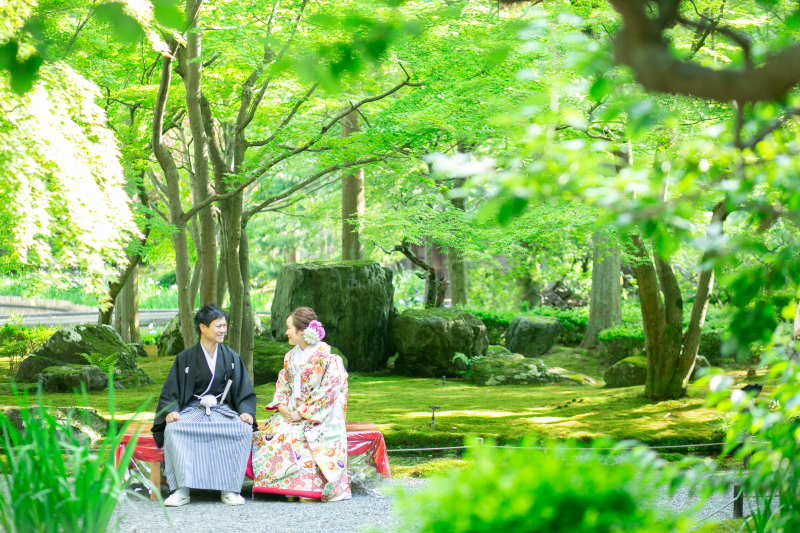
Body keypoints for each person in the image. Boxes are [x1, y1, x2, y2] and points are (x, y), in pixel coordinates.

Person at [152, 303, 257, 507]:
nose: (223, 330)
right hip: (194, 408)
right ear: (203, 327)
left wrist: (245, 411)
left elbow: (244, 391)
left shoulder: (231, 357)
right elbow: (170, 391)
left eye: (224, 326)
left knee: (242, 429)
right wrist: (172, 411)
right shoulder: (185, 358)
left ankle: (230, 488)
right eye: (218, 326)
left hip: (221, 409)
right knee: (173, 429)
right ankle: (181, 489)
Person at [250, 307, 351, 502]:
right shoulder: (290, 358)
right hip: (292, 410)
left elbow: (328, 392)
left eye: (289, 328)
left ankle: (309, 488)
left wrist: (303, 413)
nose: (286, 332)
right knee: (274, 433)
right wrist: (281, 406)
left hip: (321, 414)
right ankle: (283, 486)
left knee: (304, 436)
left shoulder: (329, 359)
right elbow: (283, 385)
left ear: (302, 331)